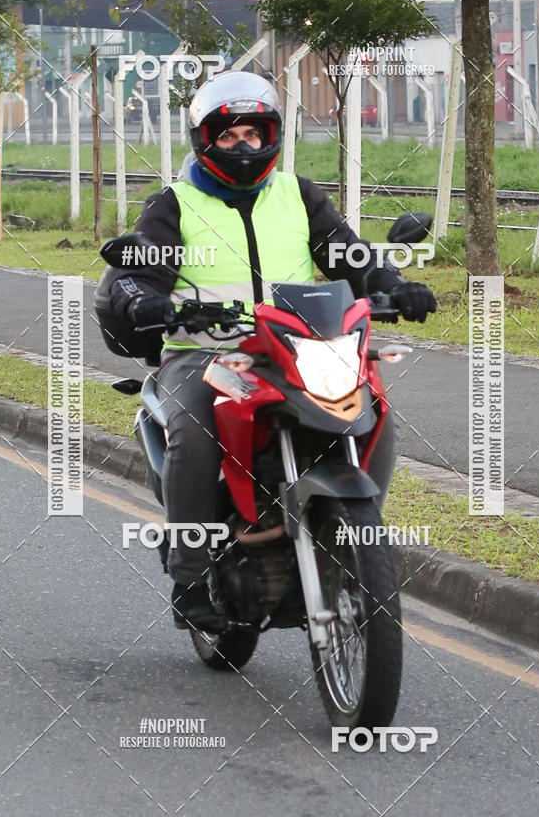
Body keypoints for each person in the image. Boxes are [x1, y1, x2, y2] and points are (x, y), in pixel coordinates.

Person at [107, 70, 436, 630]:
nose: (243, 146)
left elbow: (350, 257)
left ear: (271, 137)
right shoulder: (174, 205)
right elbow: (138, 269)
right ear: (206, 139)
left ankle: (358, 541)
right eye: (229, 135)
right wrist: (142, 299)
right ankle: (188, 576)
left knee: (373, 410)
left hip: (296, 348)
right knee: (194, 426)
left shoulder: (299, 196)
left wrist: (391, 283)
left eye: (254, 134)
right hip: (205, 354)